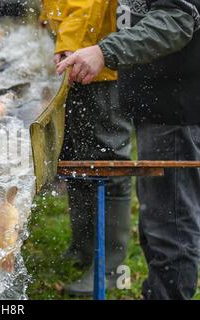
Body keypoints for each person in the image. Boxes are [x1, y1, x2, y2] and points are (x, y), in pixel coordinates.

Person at [57, 0, 200, 299]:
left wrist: (104, 52)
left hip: (177, 114)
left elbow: (177, 20)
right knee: (155, 224)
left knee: (171, 227)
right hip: (156, 110)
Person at [40, 0, 132, 296]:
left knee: (109, 161)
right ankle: (85, 247)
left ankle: (112, 269)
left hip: (99, 62)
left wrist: (69, 42)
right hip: (78, 59)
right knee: (76, 156)